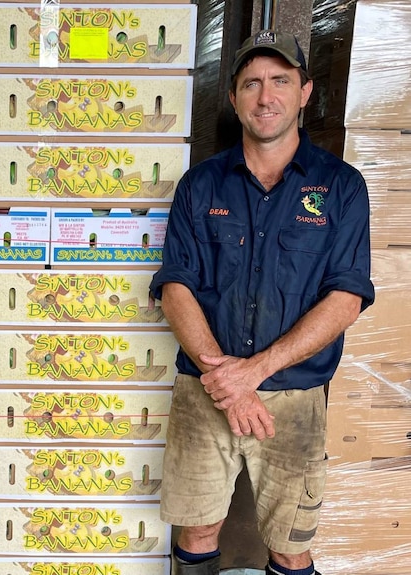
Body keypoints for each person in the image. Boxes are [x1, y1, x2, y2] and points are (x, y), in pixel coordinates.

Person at [149, 30, 374, 575]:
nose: (264, 96)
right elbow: (175, 286)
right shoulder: (200, 186)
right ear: (234, 98)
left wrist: (254, 372)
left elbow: (346, 298)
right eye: (251, 83)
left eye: (279, 81)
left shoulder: (341, 187)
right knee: (198, 528)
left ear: (305, 92)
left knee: (289, 543)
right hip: (205, 390)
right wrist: (225, 378)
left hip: (295, 396)